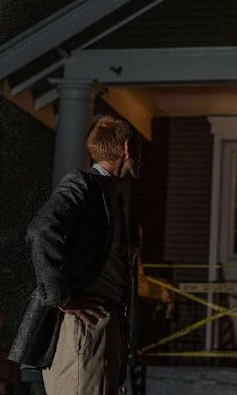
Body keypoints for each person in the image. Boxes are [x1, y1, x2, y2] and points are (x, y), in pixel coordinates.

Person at [7, 115, 141, 395]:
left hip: (102, 325)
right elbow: (42, 230)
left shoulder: (110, 194)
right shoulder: (83, 183)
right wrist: (61, 297)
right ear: (127, 148)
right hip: (85, 327)